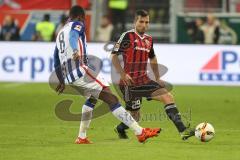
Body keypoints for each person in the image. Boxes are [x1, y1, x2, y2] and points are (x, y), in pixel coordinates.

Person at [53, 5, 161, 144]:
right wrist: (75, 50)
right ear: (81, 17)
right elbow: (74, 36)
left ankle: (82, 137)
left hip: (68, 76)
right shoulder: (77, 24)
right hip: (80, 70)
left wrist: (61, 79)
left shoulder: (61, 32)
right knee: (112, 99)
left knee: (92, 98)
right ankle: (139, 132)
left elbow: (56, 57)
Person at [111, 10, 195, 140]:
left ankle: (182, 130)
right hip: (129, 83)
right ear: (135, 22)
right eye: (141, 22)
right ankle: (120, 128)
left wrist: (157, 77)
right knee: (135, 116)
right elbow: (113, 56)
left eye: (147, 22)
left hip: (144, 80)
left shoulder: (149, 39)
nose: (144, 25)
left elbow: (153, 58)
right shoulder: (127, 36)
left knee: (167, 97)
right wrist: (122, 74)